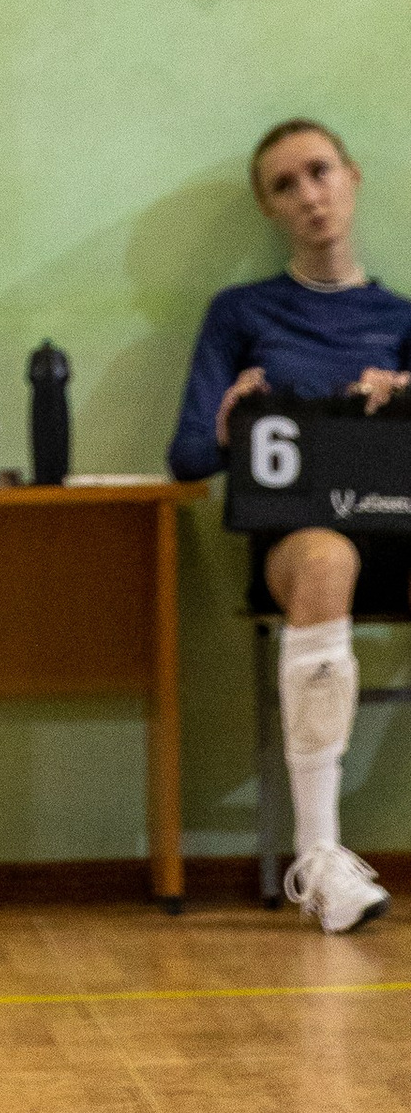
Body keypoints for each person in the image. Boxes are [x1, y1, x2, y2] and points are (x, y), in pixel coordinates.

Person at [168, 116, 411, 935]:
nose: (309, 195)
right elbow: (187, 458)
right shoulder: (241, 313)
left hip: (397, 532)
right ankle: (320, 858)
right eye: (285, 184)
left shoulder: (400, 318)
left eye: (320, 172)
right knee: (325, 560)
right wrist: (230, 422)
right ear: (268, 210)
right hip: (298, 546)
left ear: (353, 177)